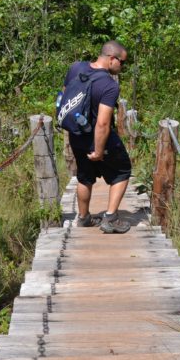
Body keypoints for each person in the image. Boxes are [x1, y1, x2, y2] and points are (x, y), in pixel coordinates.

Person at [62, 40, 133, 234]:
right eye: (122, 62)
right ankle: (110, 218)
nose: (123, 66)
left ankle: (83, 218)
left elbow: (65, 96)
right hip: (97, 139)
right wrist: (99, 150)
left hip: (76, 136)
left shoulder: (76, 67)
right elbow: (103, 123)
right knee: (122, 171)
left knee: (84, 177)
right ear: (112, 59)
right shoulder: (109, 85)